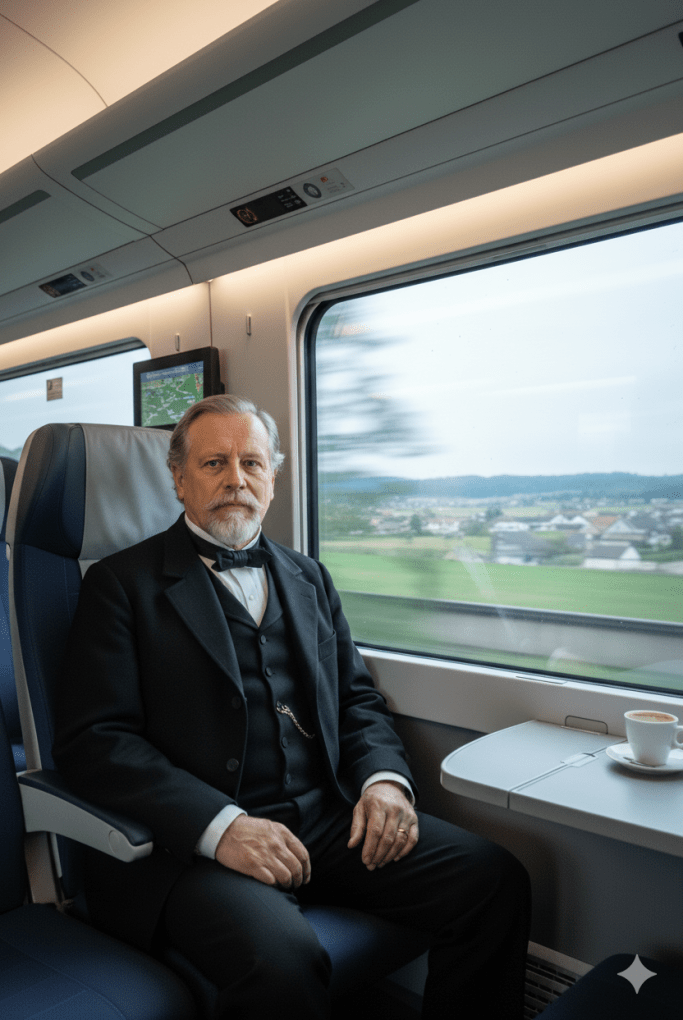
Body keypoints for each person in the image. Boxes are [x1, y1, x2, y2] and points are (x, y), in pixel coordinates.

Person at [53, 394, 531, 1020]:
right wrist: (222, 828)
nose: (235, 480)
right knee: (283, 963)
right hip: (194, 847)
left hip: (328, 820)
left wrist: (385, 783)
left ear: (273, 480)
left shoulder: (310, 577)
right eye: (214, 463)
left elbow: (356, 698)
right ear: (178, 479)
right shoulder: (119, 584)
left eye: (252, 464)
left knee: (493, 880)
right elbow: (97, 740)